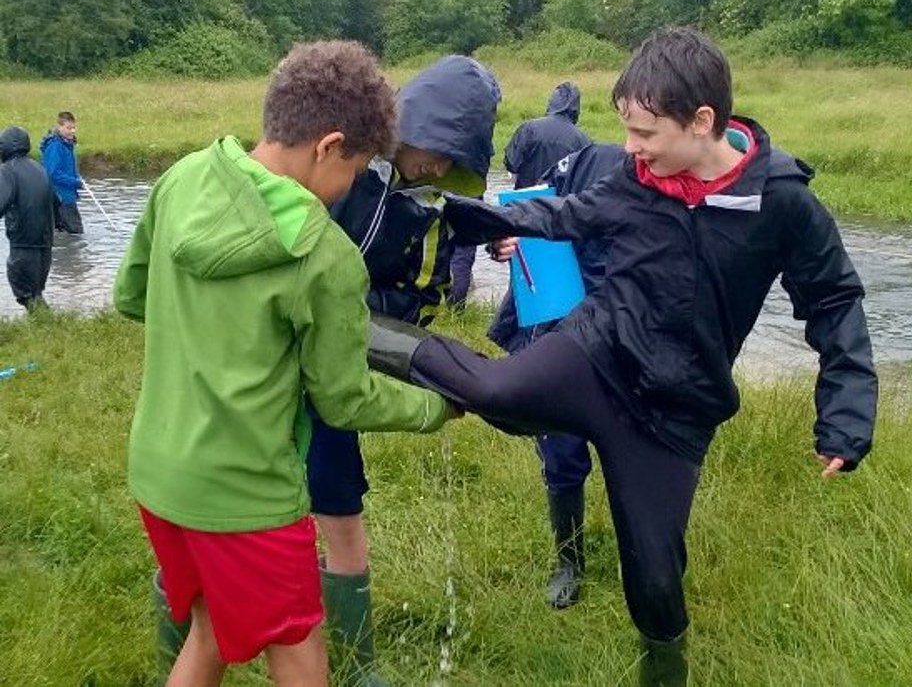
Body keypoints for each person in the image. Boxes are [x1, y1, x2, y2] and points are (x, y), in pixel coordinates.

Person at [368, 26, 878, 686]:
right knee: (495, 393)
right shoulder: (636, 177)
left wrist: (846, 409)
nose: (630, 149)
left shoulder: (780, 202)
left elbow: (834, 300)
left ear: (702, 121)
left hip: (674, 410)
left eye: (645, 134)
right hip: (597, 351)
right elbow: (567, 216)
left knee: (656, 585)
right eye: (627, 131)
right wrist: (468, 213)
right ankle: (362, 333)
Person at [113, 40, 458, 687]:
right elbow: (344, 399)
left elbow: (131, 296)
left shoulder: (181, 178)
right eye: (354, 170)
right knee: (299, 651)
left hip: (157, 474)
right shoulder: (323, 256)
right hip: (246, 499)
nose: (349, 187)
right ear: (328, 146)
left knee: (212, 626)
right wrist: (437, 405)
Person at [305, 54, 501, 685]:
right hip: (273, 363)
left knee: (341, 510)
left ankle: (357, 666)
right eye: (434, 149)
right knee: (236, 520)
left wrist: (501, 232)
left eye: (454, 160)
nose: (437, 167)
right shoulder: (338, 169)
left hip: (345, 363)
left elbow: (428, 288)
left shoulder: (433, 204)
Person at [487, 143, 625, 609]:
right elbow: (521, 227)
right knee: (562, 451)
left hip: (627, 341)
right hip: (561, 333)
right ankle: (569, 561)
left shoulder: (651, 190)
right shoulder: (570, 176)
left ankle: (644, 557)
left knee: (632, 452)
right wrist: (505, 241)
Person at [0, 126, 54, 310]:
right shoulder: (39, 168)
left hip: (23, 244)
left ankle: (48, 328)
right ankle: (48, 329)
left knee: (25, 293)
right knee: (36, 292)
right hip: (45, 244)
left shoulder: (7, 170)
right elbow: (57, 201)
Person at [503, 81, 592, 189]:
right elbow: (585, 179)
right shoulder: (583, 140)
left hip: (526, 200)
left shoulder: (529, 128)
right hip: (562, 202)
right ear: (576, 107)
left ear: (552, 102)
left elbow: (511, 164)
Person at [40, 111, 84, 234]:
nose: (72, 131)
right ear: (59, 127)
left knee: (62, 233)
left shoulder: (67, 144)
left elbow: (66, 168)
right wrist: (75, 182)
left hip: (66, 195)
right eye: (68, 128)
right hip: (61, 197)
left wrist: (76, 178)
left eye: (74, 127)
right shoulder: (55, 146)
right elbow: (52, 173)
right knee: (76, 234)